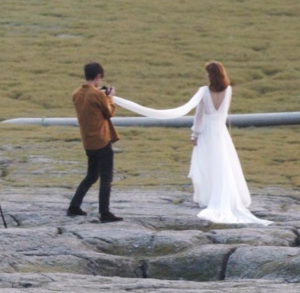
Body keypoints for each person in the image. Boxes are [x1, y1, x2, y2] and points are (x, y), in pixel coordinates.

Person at [113, 61, 271, 226]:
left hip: (206, 132)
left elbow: (199, 115)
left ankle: (209, 197)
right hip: (221, 132)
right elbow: (223, 113)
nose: (206, 76)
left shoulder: (204, 92)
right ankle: (221, 196)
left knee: (206, 163)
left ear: (211, 75)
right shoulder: (228, 90)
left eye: (207, 73)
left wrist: (195, 133)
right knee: (223, 164)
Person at [68, 62, 122, 223]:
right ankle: (104, 212)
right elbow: (109, 112)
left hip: (88, 142)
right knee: (106, 178)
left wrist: (102, 95)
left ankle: (74, 206)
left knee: (91, 175)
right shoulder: (98, 95)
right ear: (98, 76)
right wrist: (110, 97)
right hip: (102, 140)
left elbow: (91, 102)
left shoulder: (76, 93)